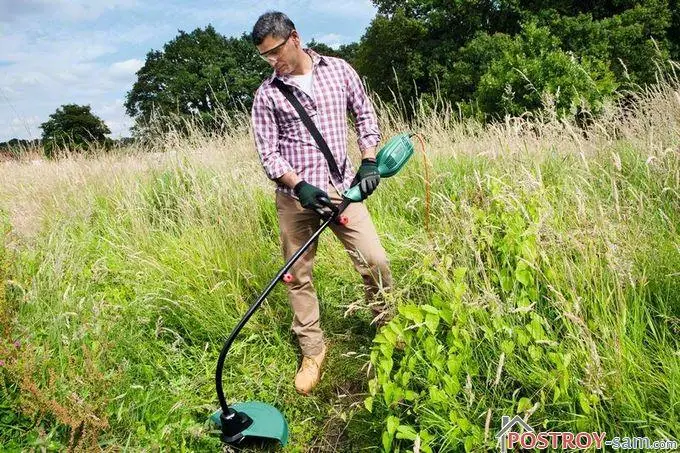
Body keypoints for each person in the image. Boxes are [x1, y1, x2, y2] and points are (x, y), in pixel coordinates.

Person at [250, 11, 392, 395]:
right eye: (265, 56)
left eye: (276, 51)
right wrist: (298, 187)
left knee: (374, 260)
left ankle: (388, 328)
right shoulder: (267, 95)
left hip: (344, 191)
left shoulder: (340, 70)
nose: (272, 61)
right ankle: (313, 351)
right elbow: (269, 155)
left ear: (294, 38)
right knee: (297, 277)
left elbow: (365, 115)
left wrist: (368, 159)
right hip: (297, 200)